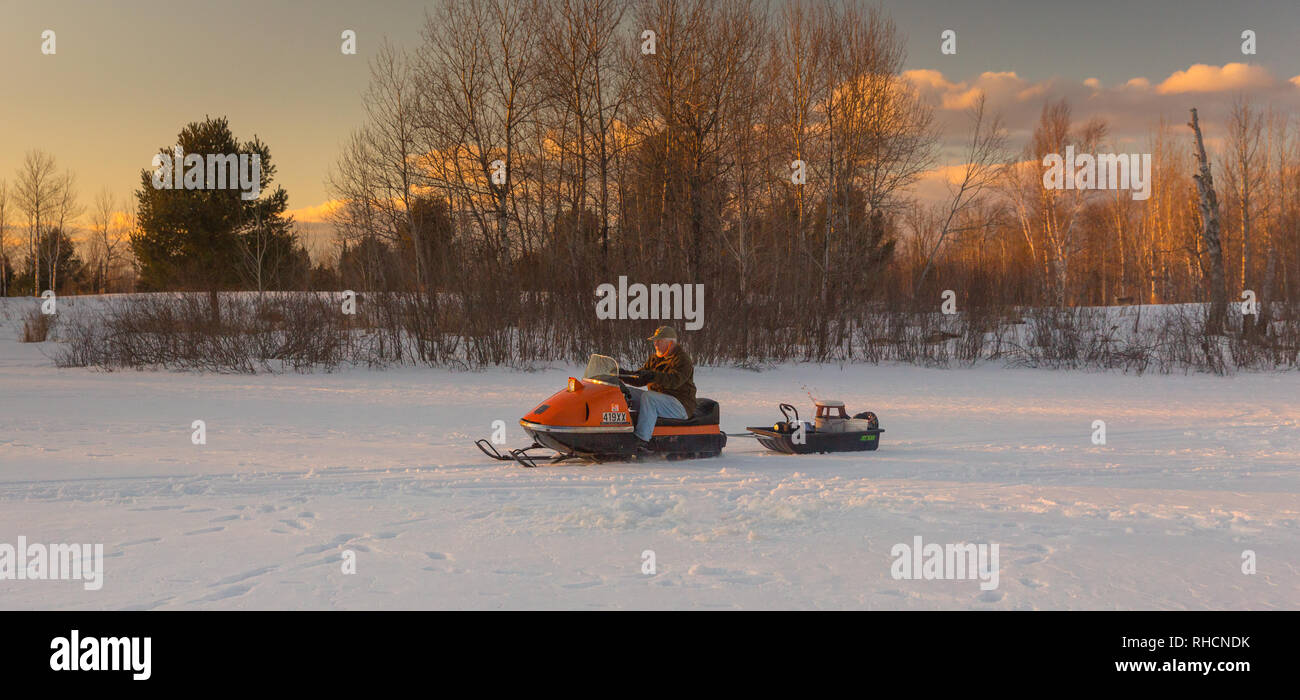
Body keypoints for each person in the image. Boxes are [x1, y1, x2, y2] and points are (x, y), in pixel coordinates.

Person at [624, 326, 697, 448]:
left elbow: (674, 381)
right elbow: (640, 378)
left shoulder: (682, 360)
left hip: (680, 405)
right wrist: (621, 375)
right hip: (661, 401)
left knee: (649, 397)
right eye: (655, 341)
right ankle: (619, 431)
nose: (655, 344)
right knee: (627, 392)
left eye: (659, 341)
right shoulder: (655, 359)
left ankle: (641, 440)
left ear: (670, 343)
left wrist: (653, 375)